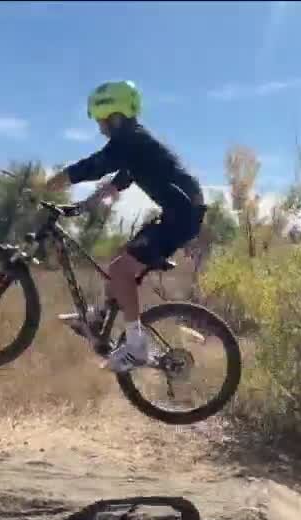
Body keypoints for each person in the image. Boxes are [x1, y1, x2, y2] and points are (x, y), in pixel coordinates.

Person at [44, 80, 207, 373]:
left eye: (101, 121)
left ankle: (136, 347)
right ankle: (98, 318)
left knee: (120, 269)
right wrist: (80, 207)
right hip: (179, 213)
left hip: (182, 216)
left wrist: (56, 181)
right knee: (120, 260)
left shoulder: (132, 141)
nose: (99, 128)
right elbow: (114, 185)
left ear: (115, 116)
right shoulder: (136, 147)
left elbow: (96, 164)